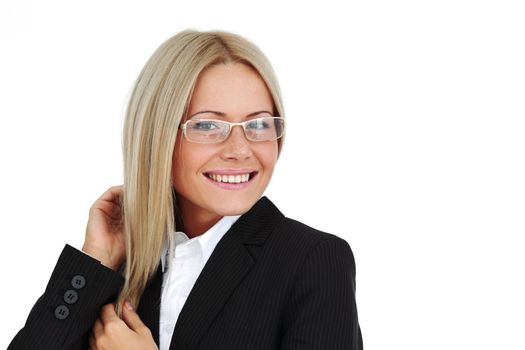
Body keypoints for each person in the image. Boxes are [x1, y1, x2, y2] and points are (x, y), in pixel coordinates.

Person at [8, 30, 363, 350]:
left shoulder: (314, 260)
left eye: (258, 124)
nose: (240, 149)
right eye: (208, 124)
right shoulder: (122, 266)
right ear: (158, 135)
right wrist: (95, 259)